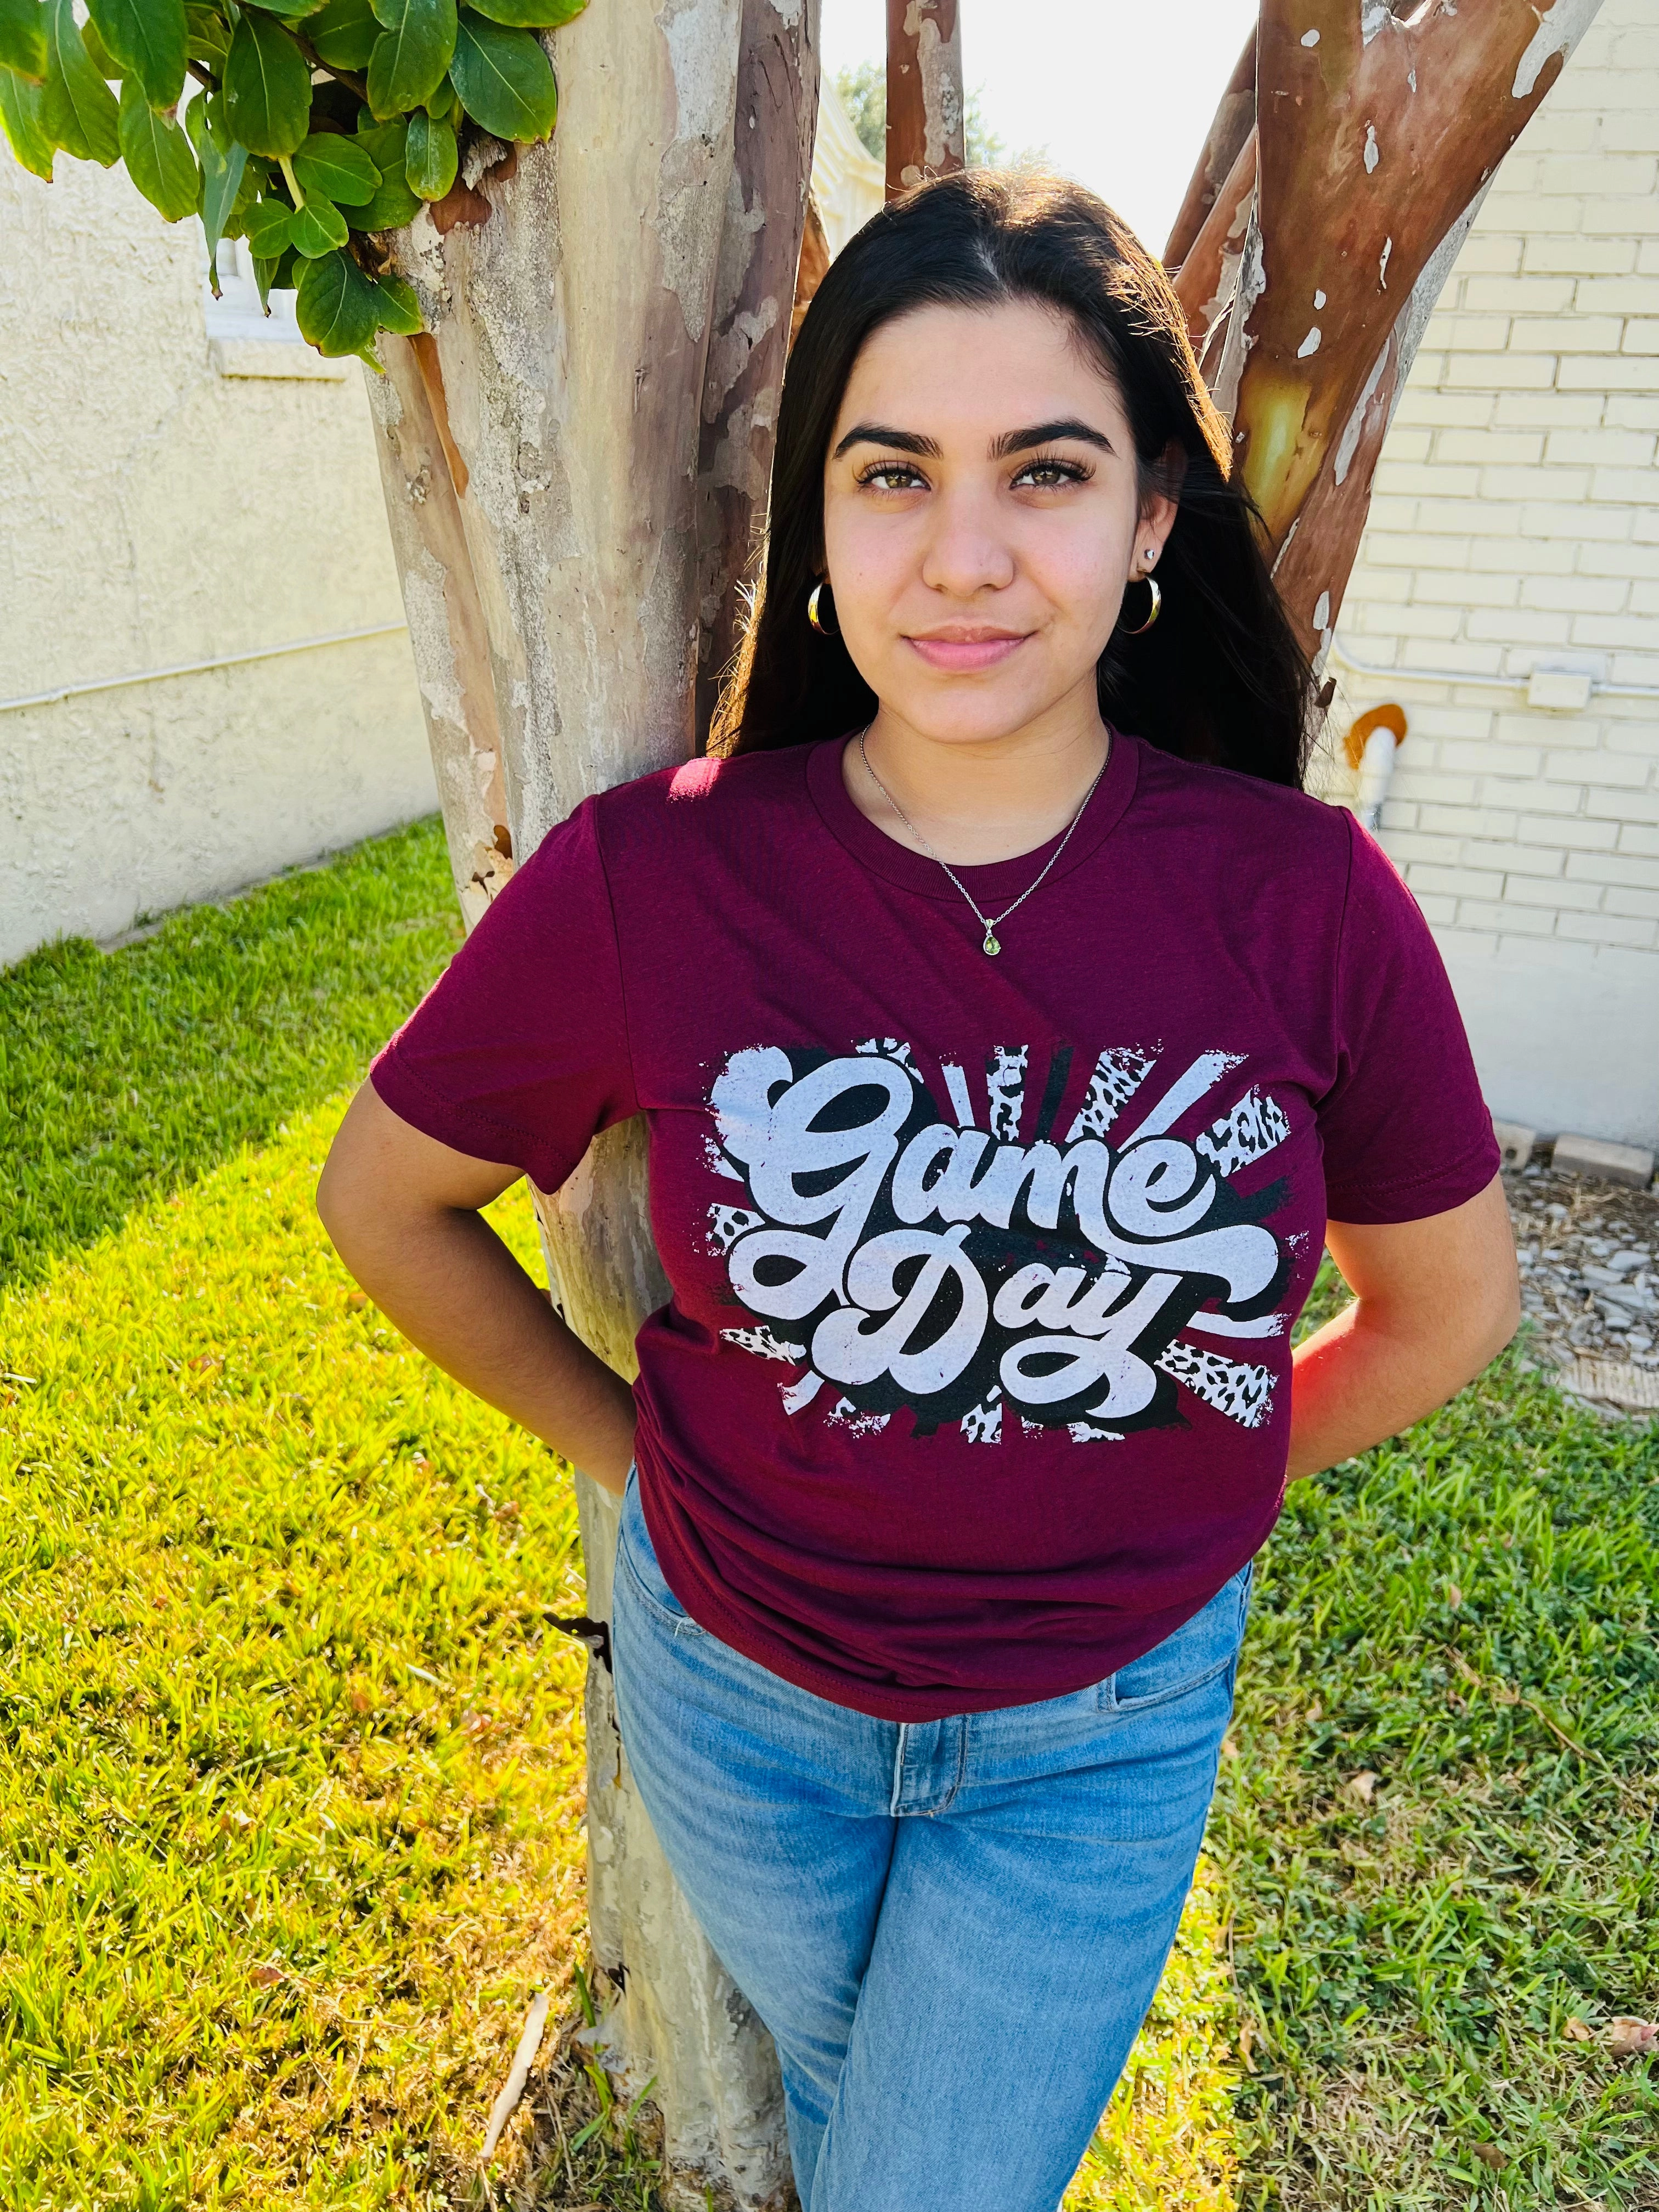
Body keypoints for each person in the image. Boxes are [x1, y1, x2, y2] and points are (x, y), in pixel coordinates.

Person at [317, 171, 1517, 2212]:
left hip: (1102, 1730)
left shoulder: (1304, 903)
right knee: (861, 2122)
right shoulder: (655, 878)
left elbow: (1449, 1309)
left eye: (1044, 472)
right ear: (818, 527)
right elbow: (386, 1200)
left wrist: (1190, 1480)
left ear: (1150, 523)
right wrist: (624, 1456)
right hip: (736, 1700)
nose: (964, 559)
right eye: (892, 475)